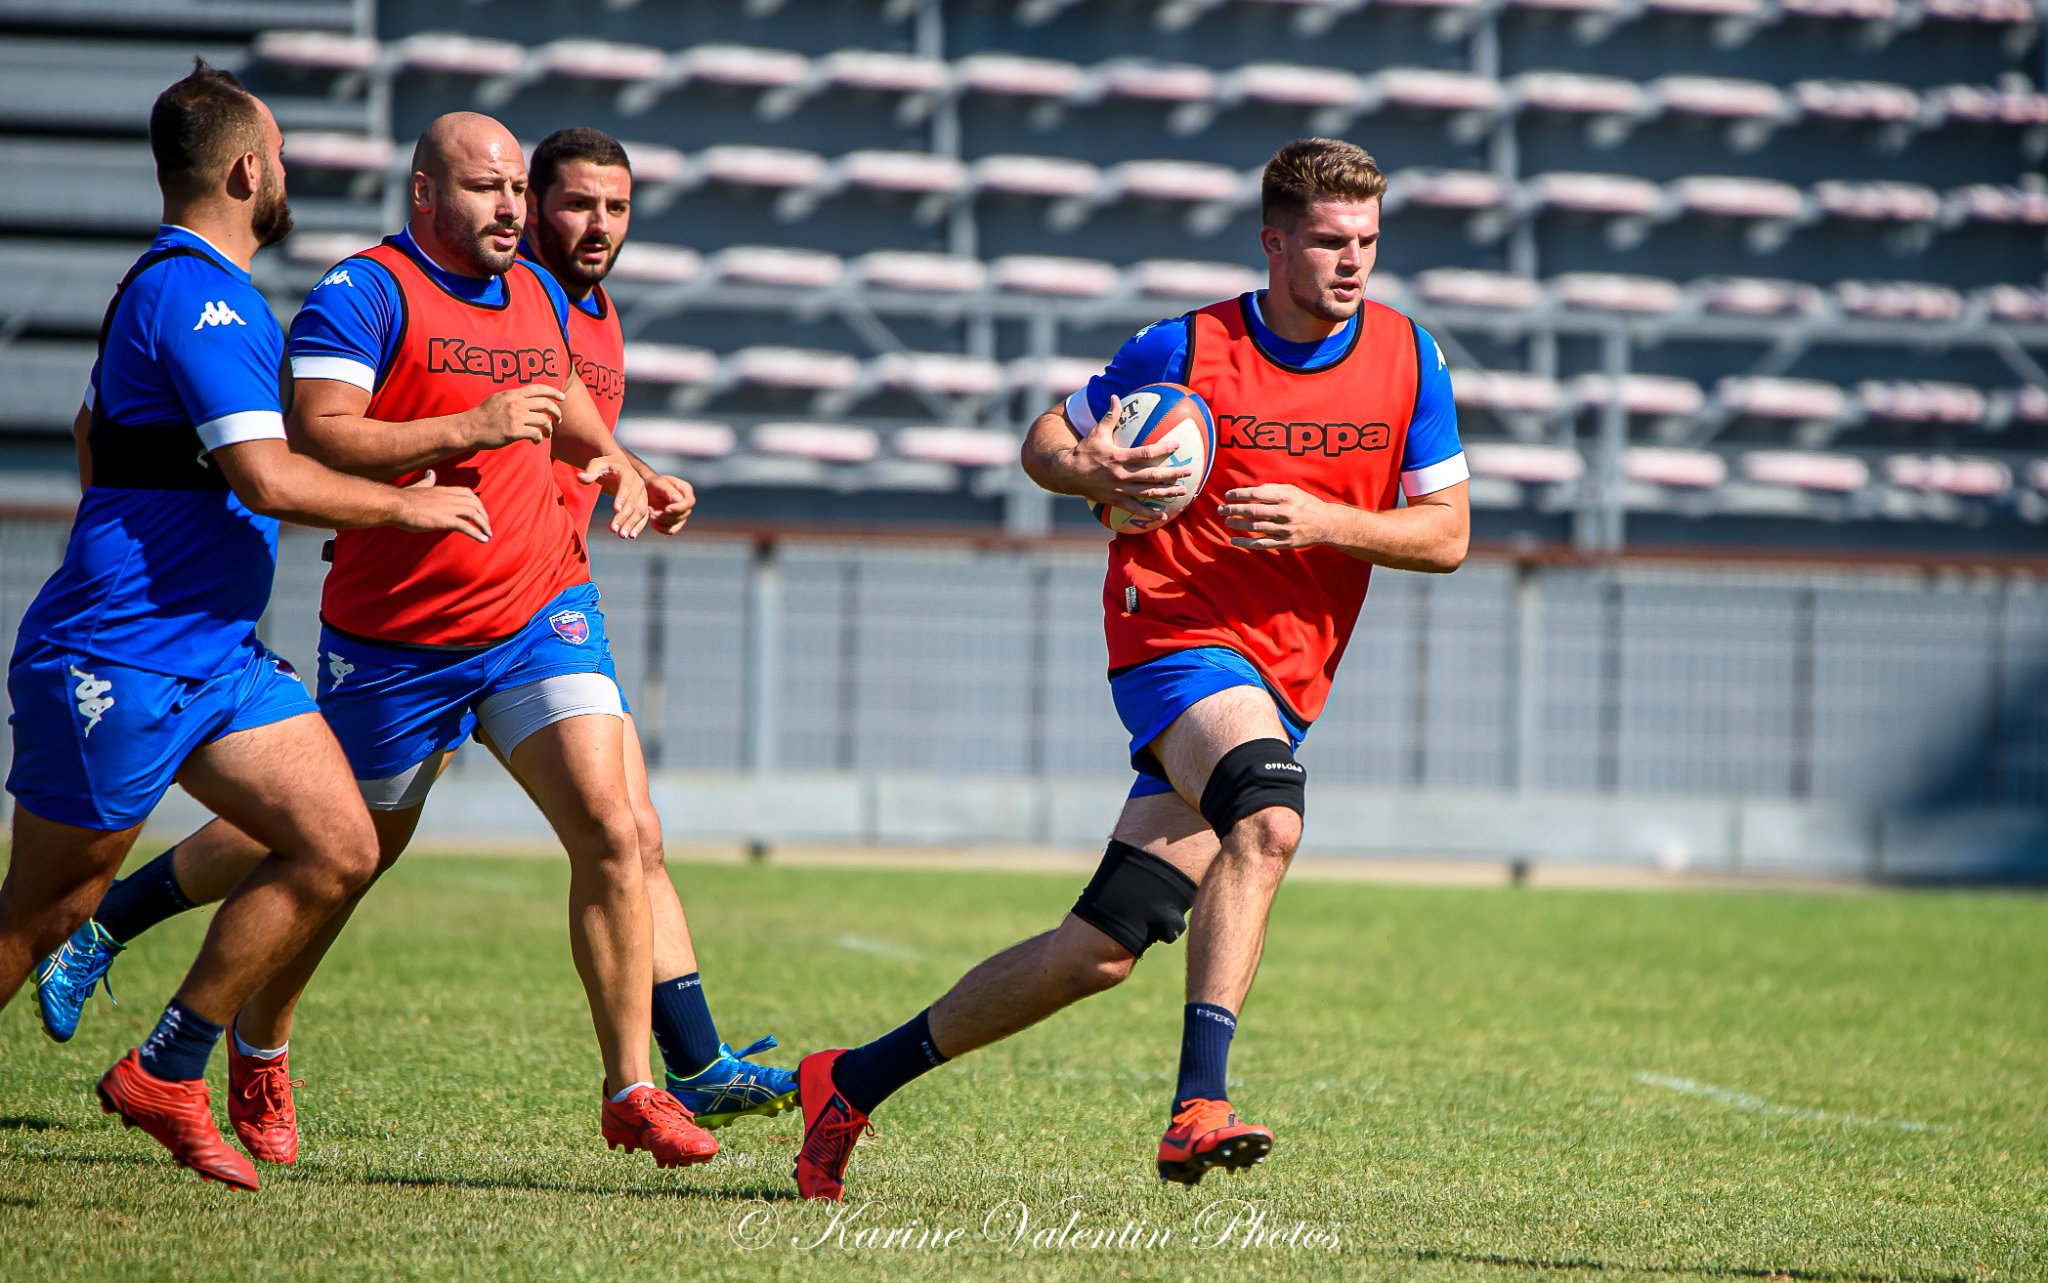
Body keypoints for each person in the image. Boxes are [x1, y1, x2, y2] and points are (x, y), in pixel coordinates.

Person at [30, 126, 799, 1137]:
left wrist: (624, 464)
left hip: (538, 613)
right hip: (395, 640)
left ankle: (641, 1086)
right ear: (426, 190)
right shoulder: (364, 291)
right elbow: (314, 436)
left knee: (617, 829)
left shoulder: (538, 294)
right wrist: (462, 437)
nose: (519, 209)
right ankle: (246, 1032)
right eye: (498, 189)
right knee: (340, 855)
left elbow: (560, 394)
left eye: (527, 190)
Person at [788, 137, 1471, 1201]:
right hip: (1173, 637)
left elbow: (1447, 534)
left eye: (1367, 242)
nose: (1352, 262)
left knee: (1097, 949)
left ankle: (849, 1080)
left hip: (1284, 677)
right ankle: (1199, 1104)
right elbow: (1044, 441)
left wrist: (1325, 520)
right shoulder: (1185, 346)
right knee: (1268, 817)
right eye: (1329, 241)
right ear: (1273, 241)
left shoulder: (1409, 356)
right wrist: (1087, 467)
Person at [0, 62, 491, 1191]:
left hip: (215, 655)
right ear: (243, 171)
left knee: (340, 844)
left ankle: (168, 1068)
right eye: (277, 157)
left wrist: (194, 531)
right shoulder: (202, 296)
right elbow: (267, 476)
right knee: (44, 912)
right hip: (123, 655)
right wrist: (404, 507)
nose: (285, 175)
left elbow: (95, 434)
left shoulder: (177, 290)